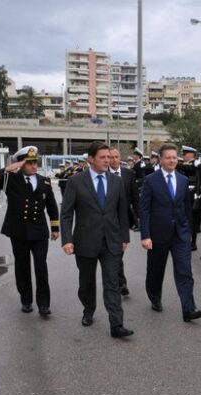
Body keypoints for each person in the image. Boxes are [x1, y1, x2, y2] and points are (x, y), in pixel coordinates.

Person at [61, 141, 133, 339]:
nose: (107, 161)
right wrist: (67, 239)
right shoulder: (76, 182)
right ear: (91, 159)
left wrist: (124, 237)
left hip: (111, 241)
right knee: (86, 282)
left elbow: (122, 212)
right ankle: (88, 309)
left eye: (109, 157)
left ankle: (116, 324)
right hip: (85, 241)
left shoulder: (116, 181)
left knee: (112, 282)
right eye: (103, 157)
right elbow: (66, 213)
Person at [0, 146, 59, 315]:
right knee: (22, 266)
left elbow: (52, 206)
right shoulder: (10, 179)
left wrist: (55, 227)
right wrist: (6, 169)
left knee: (41, 267)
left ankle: (44, 304)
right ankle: (26, 300)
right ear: (20, 164)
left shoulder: (44, 181)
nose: (33, 166)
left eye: (34, 163)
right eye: (29, 163)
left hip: (39, 232)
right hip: (19, 231)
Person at [139, 143, 201, 322]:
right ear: (160, 159)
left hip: (180, 234)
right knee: (155, 271)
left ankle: (189, 309)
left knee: (184, 271)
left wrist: (190, 231)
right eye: (168, 157)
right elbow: (144, 209)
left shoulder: (182, 180)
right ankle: (154, 296)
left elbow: (186, 208)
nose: (172, 160)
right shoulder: (151, 180)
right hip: (157, 234)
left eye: (175, 157)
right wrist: (145, 235)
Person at [109, 147, 140, 296]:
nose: (114, 160)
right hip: (108, 220)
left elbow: (135, 197)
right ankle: (121, 282)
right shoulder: (104, 174)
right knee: (115, 252)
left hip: (124, 219)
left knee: (119, 251)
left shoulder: (128, 174)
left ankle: (119, 280)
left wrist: (139, 216)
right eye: (111, 157)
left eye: (116, 157)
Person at [176, 145, 201, 251]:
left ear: (192, 154)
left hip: (192, 193)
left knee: (192, 219)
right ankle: (184, 239)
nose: (184, 156)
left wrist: (174, 162)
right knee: (183, 218)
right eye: (183, 154)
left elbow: (188, 169)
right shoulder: (184, 164)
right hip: (183, 192)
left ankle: (193, 242)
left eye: (186, 154)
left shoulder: (194, 164)